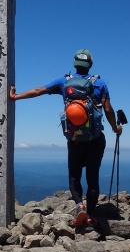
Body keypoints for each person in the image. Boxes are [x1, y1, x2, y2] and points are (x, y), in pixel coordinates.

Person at [10, 49, 122, 230]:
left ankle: (79, 207)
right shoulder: (99, 83)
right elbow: (108, 110)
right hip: (95, 139)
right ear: (91, 65)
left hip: (75, 139)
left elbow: (39, 91)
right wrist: (114, 127)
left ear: (74, 64)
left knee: (74, 176)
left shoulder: (64, 82)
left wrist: (16, 97)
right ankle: (91, 217)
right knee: (92, 178)